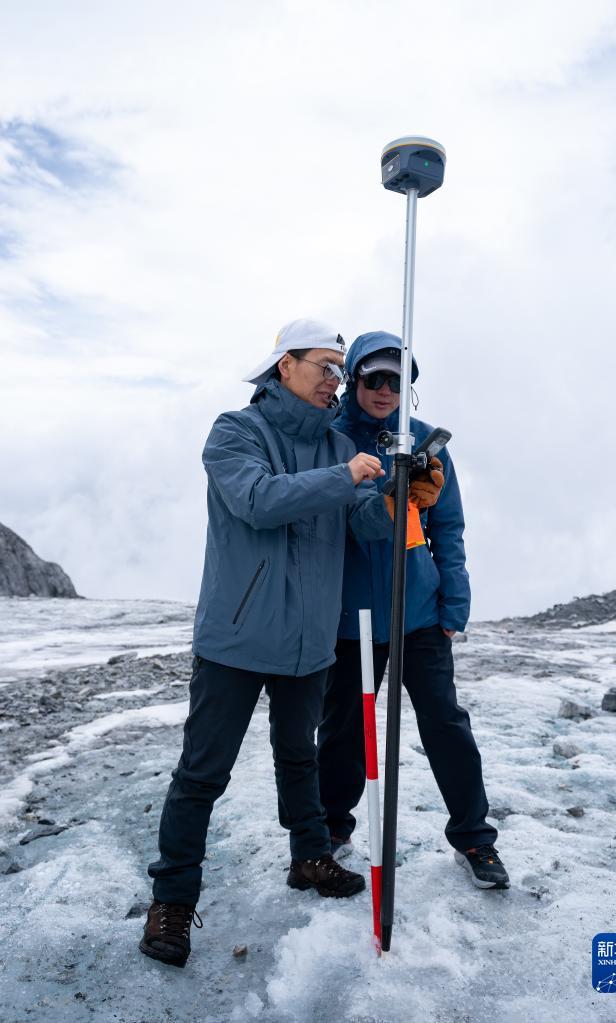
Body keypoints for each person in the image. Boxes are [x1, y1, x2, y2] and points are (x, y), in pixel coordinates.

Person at [140, 319, 420, 968]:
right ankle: (172, 900)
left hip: (309, 640)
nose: (335, 381)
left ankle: (309, 856)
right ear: (285, 365)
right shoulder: (235, 432)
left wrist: (398, 491)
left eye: (340, 371)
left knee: (300, 758)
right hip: (237, 638)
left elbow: (364, 526)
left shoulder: (335, 445)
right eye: (325, 366)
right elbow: (259, 500)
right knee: (202, 774)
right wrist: (346, 475)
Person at [318, 331, 509, 890]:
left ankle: (474, 838)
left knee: (445, 723)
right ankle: (330, 831)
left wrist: (455, 602)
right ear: (354, 379)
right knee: (343, 730)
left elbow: (448, 528)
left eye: (397, 380)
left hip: (419, 613)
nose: (385, 390)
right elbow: (341, 521)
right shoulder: (330, 440)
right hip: (350, 616)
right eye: (374, 378)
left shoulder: (426, 442)